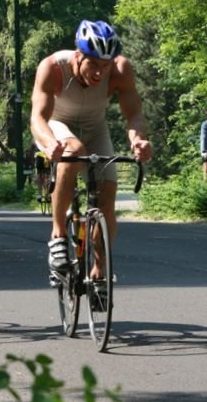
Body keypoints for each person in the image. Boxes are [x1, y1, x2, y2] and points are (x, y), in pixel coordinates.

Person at [30, 19, 152, 282]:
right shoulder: (53, 67)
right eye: (93, 64)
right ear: (78, 56)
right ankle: (59, 236)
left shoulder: (121, 70)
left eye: (105, 66)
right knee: (73, 149)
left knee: (107, 195)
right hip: (56, 124)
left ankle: (99, 271)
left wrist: (138, 139)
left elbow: (134, 115)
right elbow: (37, 117)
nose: (99, 73)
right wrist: (50, 143)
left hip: (95, 128)